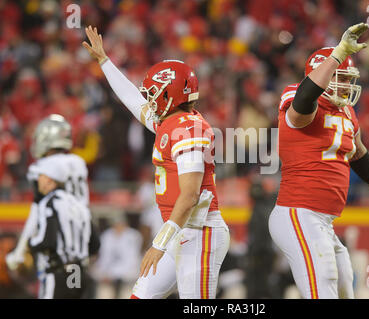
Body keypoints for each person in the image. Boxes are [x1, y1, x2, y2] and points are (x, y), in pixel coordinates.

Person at [269, 23, 369, 299]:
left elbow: (365, 164)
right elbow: (303, 104)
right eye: (340, 77)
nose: (346, 85)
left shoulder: (346, 114)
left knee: (346, 283)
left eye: (348, 78)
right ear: (322, 74)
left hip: (324, 220)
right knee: (325, 283)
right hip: (298, 213)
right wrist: (336, 55)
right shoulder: (297, 97)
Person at [83, 26, 230, 299]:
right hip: (180, 231)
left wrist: (159, 244)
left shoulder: (189, 129)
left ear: (169, 94)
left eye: (154, 92)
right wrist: (104, 61)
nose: (149, 99)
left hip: (199, 233)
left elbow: (188, 196)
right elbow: (132, 100)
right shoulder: (170, 123)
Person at [6, 114, 90, 272]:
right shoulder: (78, 162)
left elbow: (36, 211)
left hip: (55, 246)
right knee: (74, 290)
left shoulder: (42, 167)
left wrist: (20, 250)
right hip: (79, 242)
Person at [27, 155, 100, 298]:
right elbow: (95, 244)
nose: (38, 181)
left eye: (41, 176)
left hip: (58, 272)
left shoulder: (49, 202)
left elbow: (47, 240)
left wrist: (30, 244)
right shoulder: (78, 204)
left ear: (51, 180)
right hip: (78, 271)